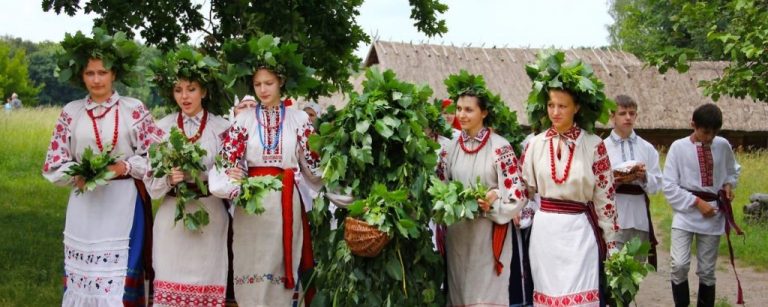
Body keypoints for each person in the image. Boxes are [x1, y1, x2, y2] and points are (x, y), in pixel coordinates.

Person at [42, 28, 161, 306]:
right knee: (85, 275)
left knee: (119, 277)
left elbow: (158, 156)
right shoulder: (71, 112)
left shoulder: (134, 109)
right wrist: (76, 175)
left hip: (124, 204)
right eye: (89, 73)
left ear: (114, 74)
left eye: (102, 72)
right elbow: (53, 162)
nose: (96, 80)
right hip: (85, 208)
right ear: (81, 76)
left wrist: (126, 167)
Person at [209, 37, 321, 306]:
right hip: (252, 203)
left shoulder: (298, 118)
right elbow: (227, 162)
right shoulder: (243, 120)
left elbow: (313, 167)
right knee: (252, 263)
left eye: (268, 83)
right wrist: (231, 180)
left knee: (280, 266)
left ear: (281, 82)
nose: (262, 89)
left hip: (285, 202)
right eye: (257, 84)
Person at [144, 48, 231, 306]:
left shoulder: (222, 128)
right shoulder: (161, 128)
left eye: (191, 88)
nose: (184, 96)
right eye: (178, 89)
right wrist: (169, 177)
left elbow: (231, 176)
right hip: (173, 218)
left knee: (206, 285)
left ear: (204, 91)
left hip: (210, 216)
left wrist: (209, 176)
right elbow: (151, 182)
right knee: (170, 284)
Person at [521, 88, 620, 306]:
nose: (555, 112)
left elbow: (605, 197)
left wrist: (611, 242)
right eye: (551, 105)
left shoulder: (594, 145)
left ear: (576, 108)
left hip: (579, 233)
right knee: (548, 298)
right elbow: (524, 190)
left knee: (580, 299)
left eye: (562, 106)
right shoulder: (534, 144)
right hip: (545, 233)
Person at [437, 89, 527, 306]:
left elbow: (517, 194)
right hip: (458, 235)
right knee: (459, 296)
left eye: (469, 109)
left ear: (484, 112)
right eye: (459, 109)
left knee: (485, 297)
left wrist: (491, 203)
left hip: (488, 235)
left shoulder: (500, 147)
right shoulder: (449, 149)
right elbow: (440, 188)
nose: (462, 115)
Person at [663, 103, 742, 307]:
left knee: (707, 270)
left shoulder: (722, 145)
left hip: (714, 214)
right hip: (685, 213)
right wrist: (696, 202)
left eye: (714, 133)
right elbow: (669, 186)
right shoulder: (678, 147)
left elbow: (732, 170)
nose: (709, 138)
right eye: (706, 132)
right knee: (679, 264)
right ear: (693, 125)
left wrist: (728, 185)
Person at [604, 95, 662, 267]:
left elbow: (657, 184)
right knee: (614, 270)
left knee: (635, 271)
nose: (628, 117)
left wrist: (643, 176)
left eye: (632, 113)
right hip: (614, 215)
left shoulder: (647, 148)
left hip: (639, 216)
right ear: (612, 116)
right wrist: (617, 179)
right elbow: (594, 184)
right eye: (622, 113)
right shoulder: (602, 148)